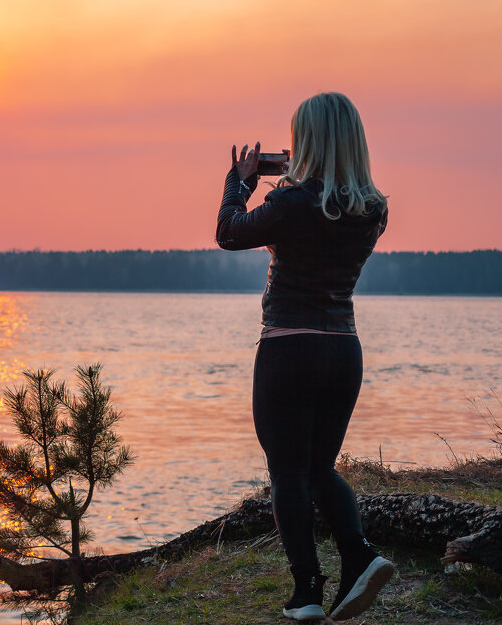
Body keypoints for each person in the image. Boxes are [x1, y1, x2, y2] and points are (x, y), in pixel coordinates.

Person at [215, 91, 394, 622]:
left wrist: (239, 184)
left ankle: (307, 591)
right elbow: (324, 221)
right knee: (318, 467)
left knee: (288, 472)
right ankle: (359, 556)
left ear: (307, 141)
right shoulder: (373, 209)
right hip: (343, 350)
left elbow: (228, 233)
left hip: (289, 348)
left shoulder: (290, 203)